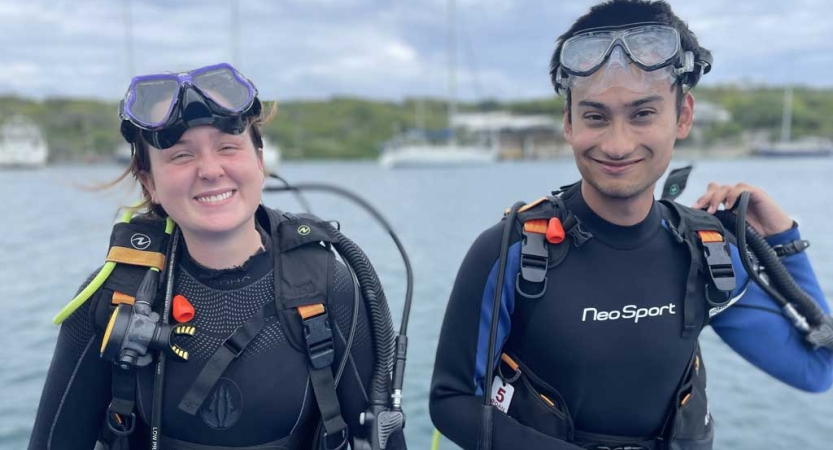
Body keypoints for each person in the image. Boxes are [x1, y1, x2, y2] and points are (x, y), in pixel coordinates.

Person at [429, 1, 832, 449]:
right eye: (595, 116)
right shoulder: (514, 252)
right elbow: (451, 401)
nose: (617, 145)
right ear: (568, 123)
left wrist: (784, 241)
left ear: (683, 116)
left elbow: (818, 369)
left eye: (642, 114)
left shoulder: (709, 254)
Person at [29, 63, 405, 450]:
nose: (210, 170)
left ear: (259, 161)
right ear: (149, 182)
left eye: (227, 147)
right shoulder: (111, 300)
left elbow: (383, 438)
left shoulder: (327, 287)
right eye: (181, 155)